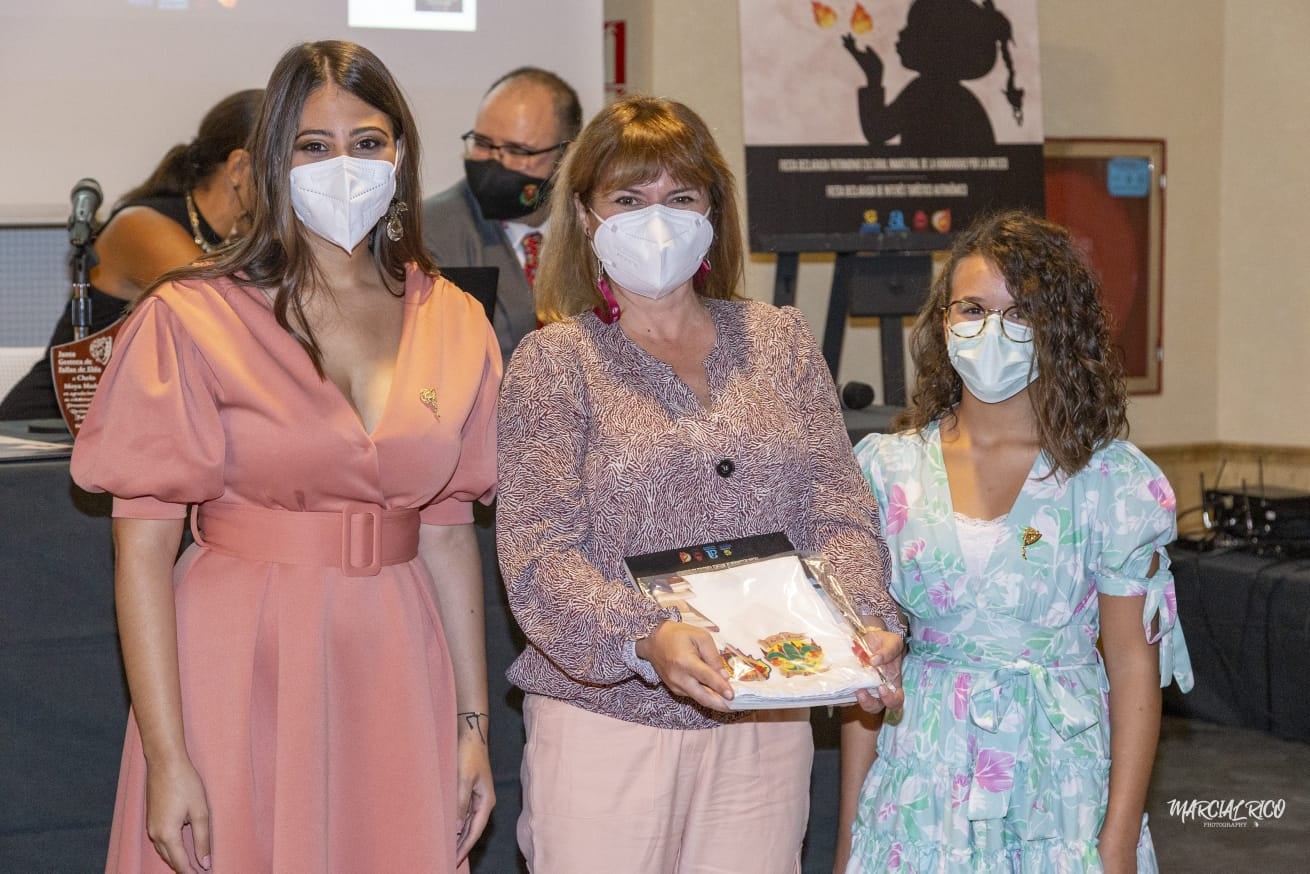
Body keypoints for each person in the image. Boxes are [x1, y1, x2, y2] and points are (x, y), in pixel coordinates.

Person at [70, 40, 499, 873]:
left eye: (367, 142)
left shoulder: (454, 318)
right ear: (273, 161)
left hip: (395, 661)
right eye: (314, 145)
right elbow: (143, 551)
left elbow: (449, 536)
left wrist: (471, 726)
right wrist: (167, 755)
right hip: (238, 660)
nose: (345, 166)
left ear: (401, 155)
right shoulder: (191, 315)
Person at [494, 95, 906, 874]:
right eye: (629, 198)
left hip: (767, 718)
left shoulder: (781, 342)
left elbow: (839, 511)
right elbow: (538, 557)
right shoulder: (553, 364)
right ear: (585, 215)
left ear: (713, 211)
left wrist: (863, 622)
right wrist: (644, 635)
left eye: (680, 197)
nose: (658, 220)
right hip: (608, 725)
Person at [837, 211, 1194, 873]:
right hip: (920, 793)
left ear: (1058, 329)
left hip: (1060, 795)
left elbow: (1133, 669)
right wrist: (849, 843)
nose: (992, 330)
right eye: (973, 309)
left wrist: (1116, 844)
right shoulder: (888, 471)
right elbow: (869, 678)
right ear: (944, 322)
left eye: (1020, 312)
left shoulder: (1110, 482)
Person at [0, 89, 263, 422]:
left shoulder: (236, 236)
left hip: (123, 432)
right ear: (240, 166)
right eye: (291, 159)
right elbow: (236, 324)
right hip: (45, 433)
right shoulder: (142, 225)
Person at [421, 67, 582, 360]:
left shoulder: (597, 229)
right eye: (483, 144)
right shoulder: (428, 234)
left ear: (567, 155)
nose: (495, 163)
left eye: (518, 150)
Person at [841, 0, 1024, 151]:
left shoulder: (924, 92)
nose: (901, 33)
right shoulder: (959, 98)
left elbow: (877, 131)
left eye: (913, 28)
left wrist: (874, 78)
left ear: (937, 44)